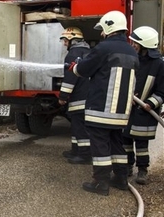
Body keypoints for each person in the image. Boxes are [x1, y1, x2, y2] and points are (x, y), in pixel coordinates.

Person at [68, 10, 139, 196]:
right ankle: (121, 179)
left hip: (101, 108)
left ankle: (101, 183)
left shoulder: (103, 48)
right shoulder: (132, 51)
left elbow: (83, 70)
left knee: (99, 145)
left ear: (109, 27)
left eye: (103, 29)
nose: (101, 34)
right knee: (117, 143)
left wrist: (75, 66)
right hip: (121, 112)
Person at [123, 26, 164, 185]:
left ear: (144, 45)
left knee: (141, 143)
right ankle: (127, 167)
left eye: (135, 42)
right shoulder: (132, 59)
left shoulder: (159, 65)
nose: (132, 44)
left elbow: (162, 91)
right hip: (129, 108)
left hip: (145, 112)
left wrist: (150, 103)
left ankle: (142, 170)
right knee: (124, 139)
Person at [58, 27, 92, 164]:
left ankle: (84, 155)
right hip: (88, 96)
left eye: (66, 40)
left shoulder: (73, 54)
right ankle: (76, 150)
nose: (64, 43)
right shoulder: (88, 52)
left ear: (73, 40)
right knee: (77, 126)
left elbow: (70, 78)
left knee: (80, 127)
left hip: (79, 97)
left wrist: (62, 96)